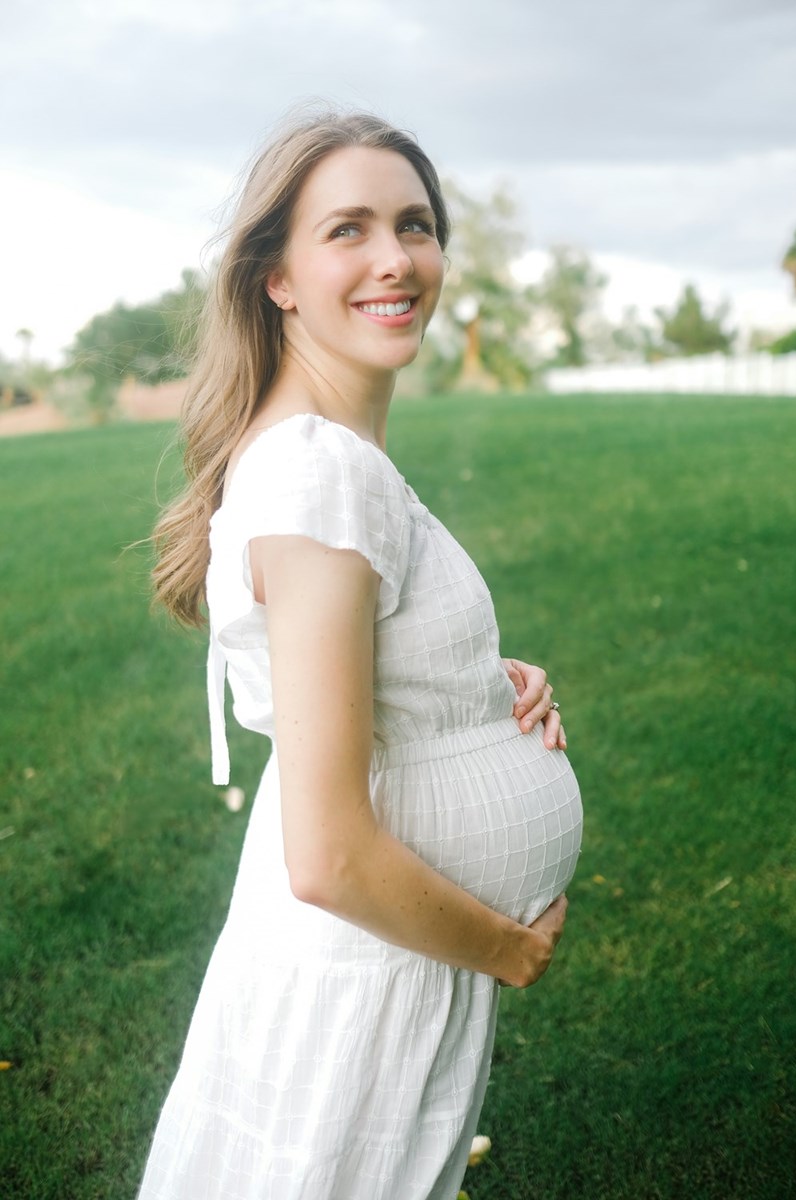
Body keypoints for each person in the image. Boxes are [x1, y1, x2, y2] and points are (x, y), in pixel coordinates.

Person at [139, 107, 582, 1200]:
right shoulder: (316, 476)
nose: (396, 259)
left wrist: (474, 689)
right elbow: (328, 854)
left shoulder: (327, 460)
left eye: (415, 225)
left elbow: (348, 664)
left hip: (385, 965)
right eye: (347, 230)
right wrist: (503, 950)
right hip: (370, 969)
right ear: (276, 278)